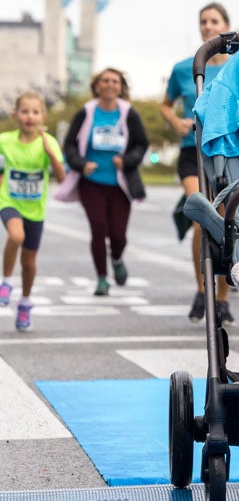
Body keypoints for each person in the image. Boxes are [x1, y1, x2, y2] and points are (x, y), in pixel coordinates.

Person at [160, 2, 234, 324]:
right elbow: (166, 104)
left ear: (226, 25)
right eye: (203, 21)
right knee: (199, 218)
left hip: (227, 152)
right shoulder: (183, 68)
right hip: (192, 151)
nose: (207, 26)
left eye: (214, 21)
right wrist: (174, 120)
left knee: (225, 219)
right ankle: (202, 289)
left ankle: (222, 298)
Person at [59, 68, 148, 296]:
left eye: (114, 81)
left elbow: (141, 144)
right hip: (92, 182)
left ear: (120, 87)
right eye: (105, 81)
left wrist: (126, 160)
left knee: (118, 235)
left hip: (120, 184)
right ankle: (101, 278)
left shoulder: (129, 113)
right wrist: (81, 164)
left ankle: (117, 259)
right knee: (98, 228)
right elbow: (69, 144)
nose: (109, 84)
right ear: (97, 86)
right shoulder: (86, 112)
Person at [0, 92, 67, 331]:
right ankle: (6, 282)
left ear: (43, 116)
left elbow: (61, 177)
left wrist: (51, 155)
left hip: (35, 209)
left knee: (29, 262)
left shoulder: (48, 142)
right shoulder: (5, 140)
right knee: (15, 236)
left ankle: (25, 303)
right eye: (25, 111)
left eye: (35, 112)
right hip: (9, 201)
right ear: (15, 115)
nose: (30, 116)